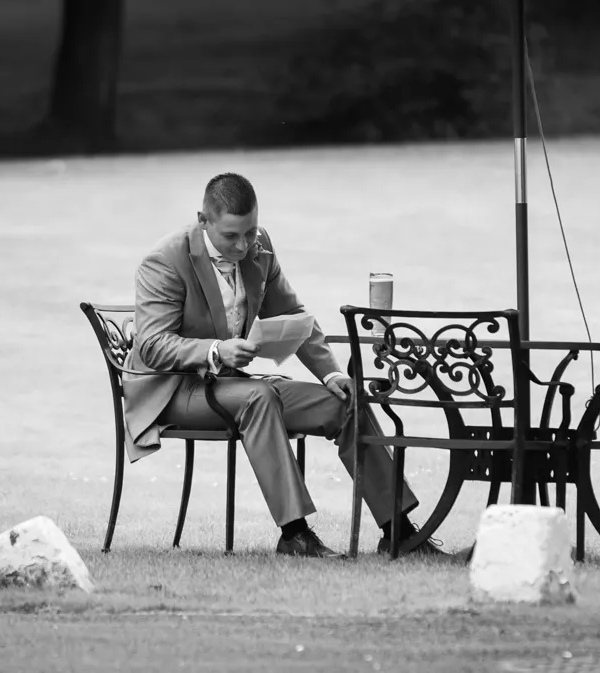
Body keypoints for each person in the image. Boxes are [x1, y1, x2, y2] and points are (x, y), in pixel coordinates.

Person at [122, 172, 442, 558]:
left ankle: (399, 531)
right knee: (258, 397)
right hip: (171, 391)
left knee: (343, 402)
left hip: (233, 387)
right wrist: (216, 350)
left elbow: (292, 314)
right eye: (231, 236)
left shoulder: (260, 247)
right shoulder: (165, 260)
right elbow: (153, 345)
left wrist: (332, 374)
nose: (243, 245)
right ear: (203, 220)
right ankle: (295, 534)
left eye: (250, 233)